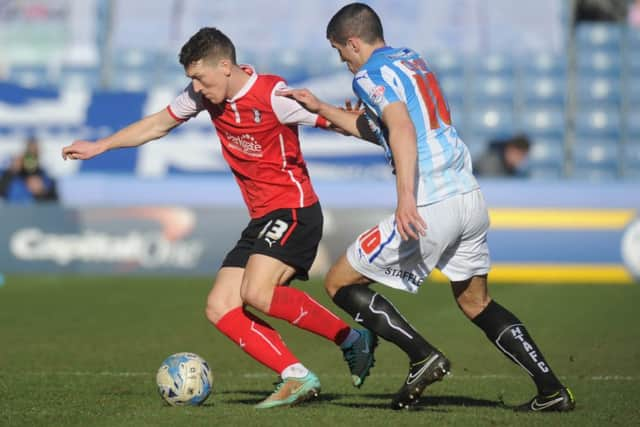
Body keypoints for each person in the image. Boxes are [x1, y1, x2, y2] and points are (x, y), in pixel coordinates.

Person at [279, 2, 575, 412]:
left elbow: (400, 128)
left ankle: (422, 355)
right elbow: (384, 128)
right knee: (476, 302)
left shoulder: (369, 75)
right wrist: (323, 109)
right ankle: (552, 391)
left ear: (352, 42)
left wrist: (405, 199)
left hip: (430, 202)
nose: (342, 60)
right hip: (468, 197)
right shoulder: (410, 59)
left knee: (339, 283)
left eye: (339, 51)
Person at [61, 27, 377, 409]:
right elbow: (158, 124)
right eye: (191, 79)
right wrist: (100, 145)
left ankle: (349, 340)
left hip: (295, 210)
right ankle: (301, 373)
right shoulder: (203, 96)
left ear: (225, 67)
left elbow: (338, 122)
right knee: (220, 306)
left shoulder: (274, 96)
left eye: (200, 77)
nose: (196, 86)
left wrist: (372, 128)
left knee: (257, 293)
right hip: (261, 218)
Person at [0, 136, 58, 203]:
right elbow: (3, 194)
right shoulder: (12, 176)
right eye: (29, 153)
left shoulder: (45, 178)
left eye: (35, 153)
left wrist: (41, 192)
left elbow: (54, 204)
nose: (31, 158)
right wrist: (12, 171)